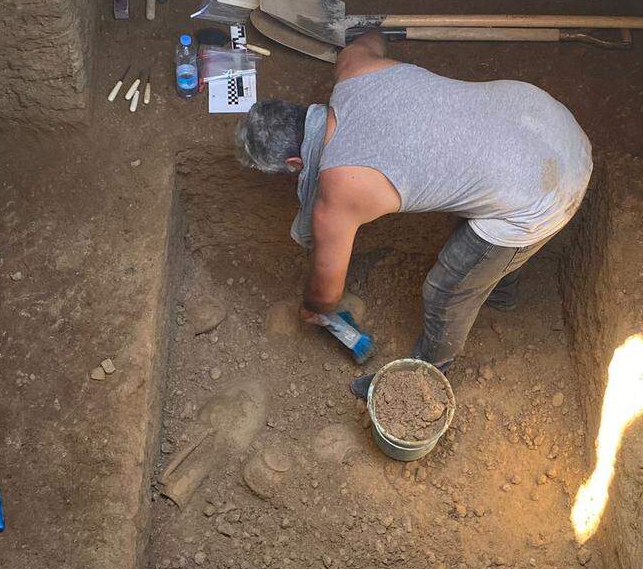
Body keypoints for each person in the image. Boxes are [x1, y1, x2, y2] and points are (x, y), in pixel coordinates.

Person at [234, 32, 592, 394]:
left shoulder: (338, 191)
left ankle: (424, 377)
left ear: (295, 164)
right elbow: (371, 38)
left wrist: (313, 308)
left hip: (546, 192)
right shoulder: (354, 66)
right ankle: (501, 292)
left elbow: (326, 293)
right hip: (544, 118)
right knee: (484, 194)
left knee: (446, 291)